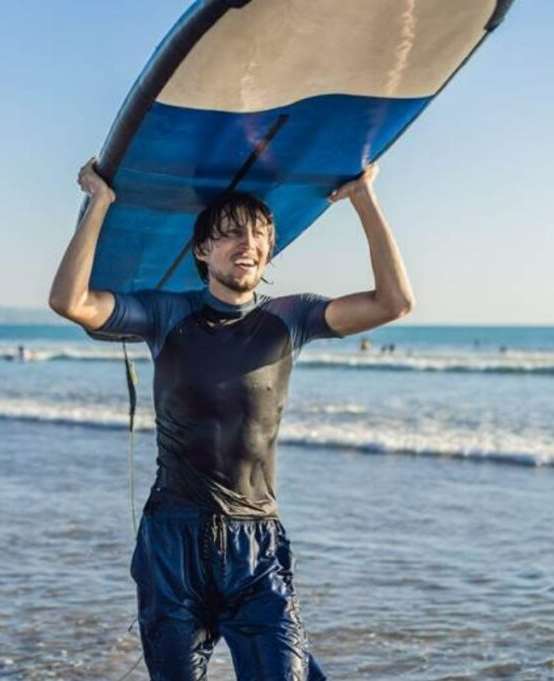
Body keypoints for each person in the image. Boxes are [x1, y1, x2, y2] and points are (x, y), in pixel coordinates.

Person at [49, 158, 414, 680]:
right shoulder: (165, 314)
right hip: (173, 543)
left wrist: (363, 197)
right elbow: (70, 300)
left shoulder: (291, 318)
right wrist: (100, 204)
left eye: (261, 234)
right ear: (202, 249)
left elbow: (394, 302)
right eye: (232, 233)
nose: (249, 243)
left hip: (256, 546)